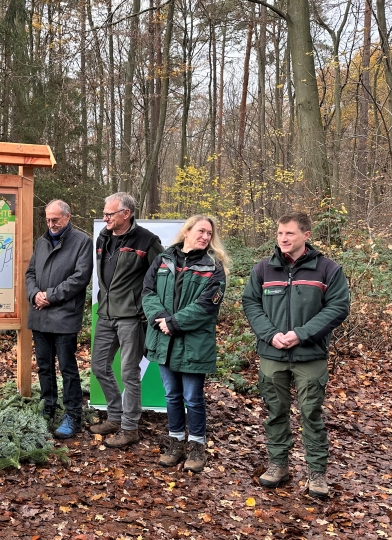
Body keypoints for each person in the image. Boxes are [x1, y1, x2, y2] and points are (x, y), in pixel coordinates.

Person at [242, 212, 349, 499]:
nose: (283, 238)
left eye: (289, 233)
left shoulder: (328, 269)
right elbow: (251, 303)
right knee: (275, 413)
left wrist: (301, 333)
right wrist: (270, 333)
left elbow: (338, 307)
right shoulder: (264, 268)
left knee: (311, 414)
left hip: (310, 355)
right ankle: (278, 465)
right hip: (272, 354)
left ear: (306, 235)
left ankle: (317, 473)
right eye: (280, 233)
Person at [142, 215, 229, 473]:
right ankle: (176, 441)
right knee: (172, 395)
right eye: (201, 231)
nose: (205, 237)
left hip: (193, 342)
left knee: (193, 398)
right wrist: (161, 320)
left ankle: (197, 446)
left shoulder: (214, 267)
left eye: (209, 234)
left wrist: (174, 323)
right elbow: (148, 292)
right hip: (164, 340)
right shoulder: (163, 259)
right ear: (187, 231)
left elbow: (206, 306)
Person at [90, 192, 164, 448]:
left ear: (126, 213)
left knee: (129, 373)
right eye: (104, 213)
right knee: (99, 366)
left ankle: (130, 427)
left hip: (131, 318)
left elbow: (161, 279)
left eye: (109, 214)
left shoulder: (147, 240)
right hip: (106, 313)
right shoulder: (103, 237)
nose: (105, 218)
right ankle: (114, 416)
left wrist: (148, 308)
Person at [25, 200, 93, 439]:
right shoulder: (41, 241)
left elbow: (80, 278)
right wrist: (34, 294)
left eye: (56, 220)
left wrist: (50, 296)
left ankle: (73, 414)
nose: (51, 224)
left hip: (64, 315)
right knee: (44, 366)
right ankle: (48, 407)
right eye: (48, 220)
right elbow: (31, 273)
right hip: (40, 314)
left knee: (67, 367)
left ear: (67, 217)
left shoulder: (82, 242)